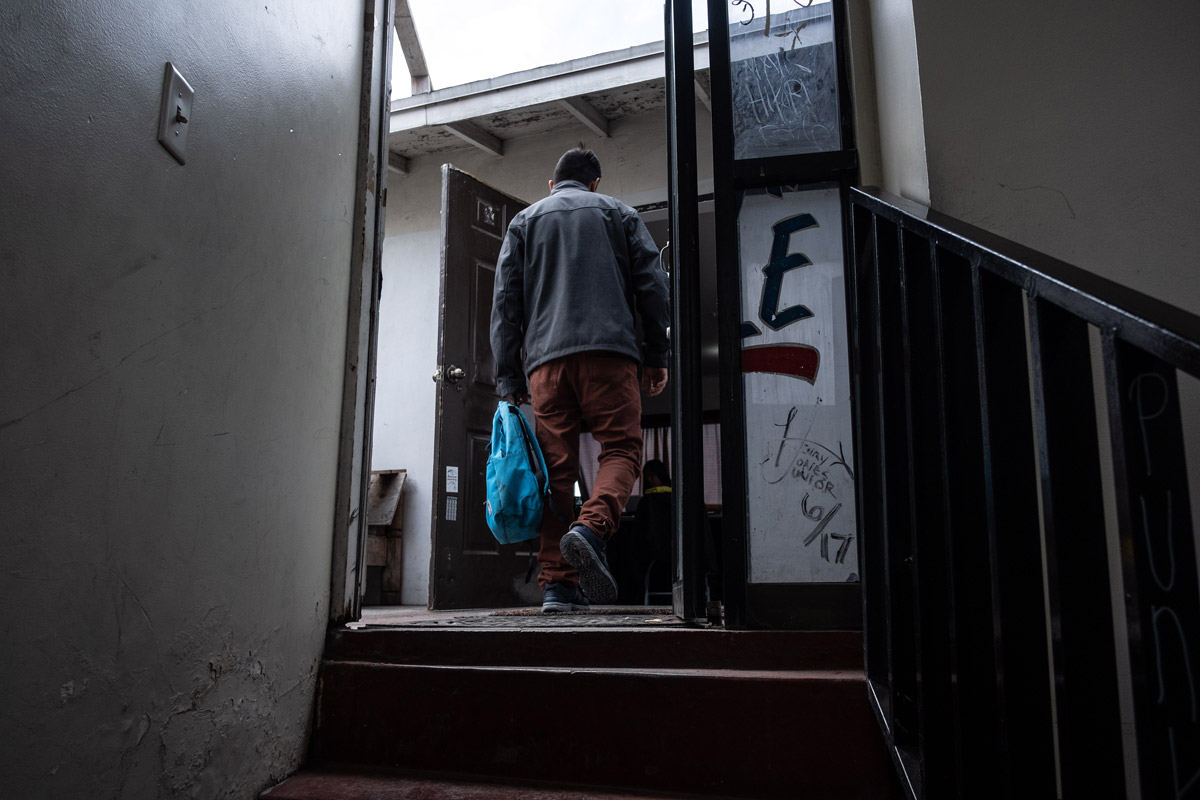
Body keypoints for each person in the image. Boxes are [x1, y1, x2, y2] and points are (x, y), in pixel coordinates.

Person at [490, 147, 670, 613]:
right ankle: (590, 529)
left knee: (555, 473)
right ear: (595, 184)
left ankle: (557, 587)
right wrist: (656, 354)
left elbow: (506, 301)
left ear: (552, 185)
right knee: (623, 450)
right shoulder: (619, 213)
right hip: (610, 355)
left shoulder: (524, 222)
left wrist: (509, 375)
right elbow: (653, 284)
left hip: (546, 364)